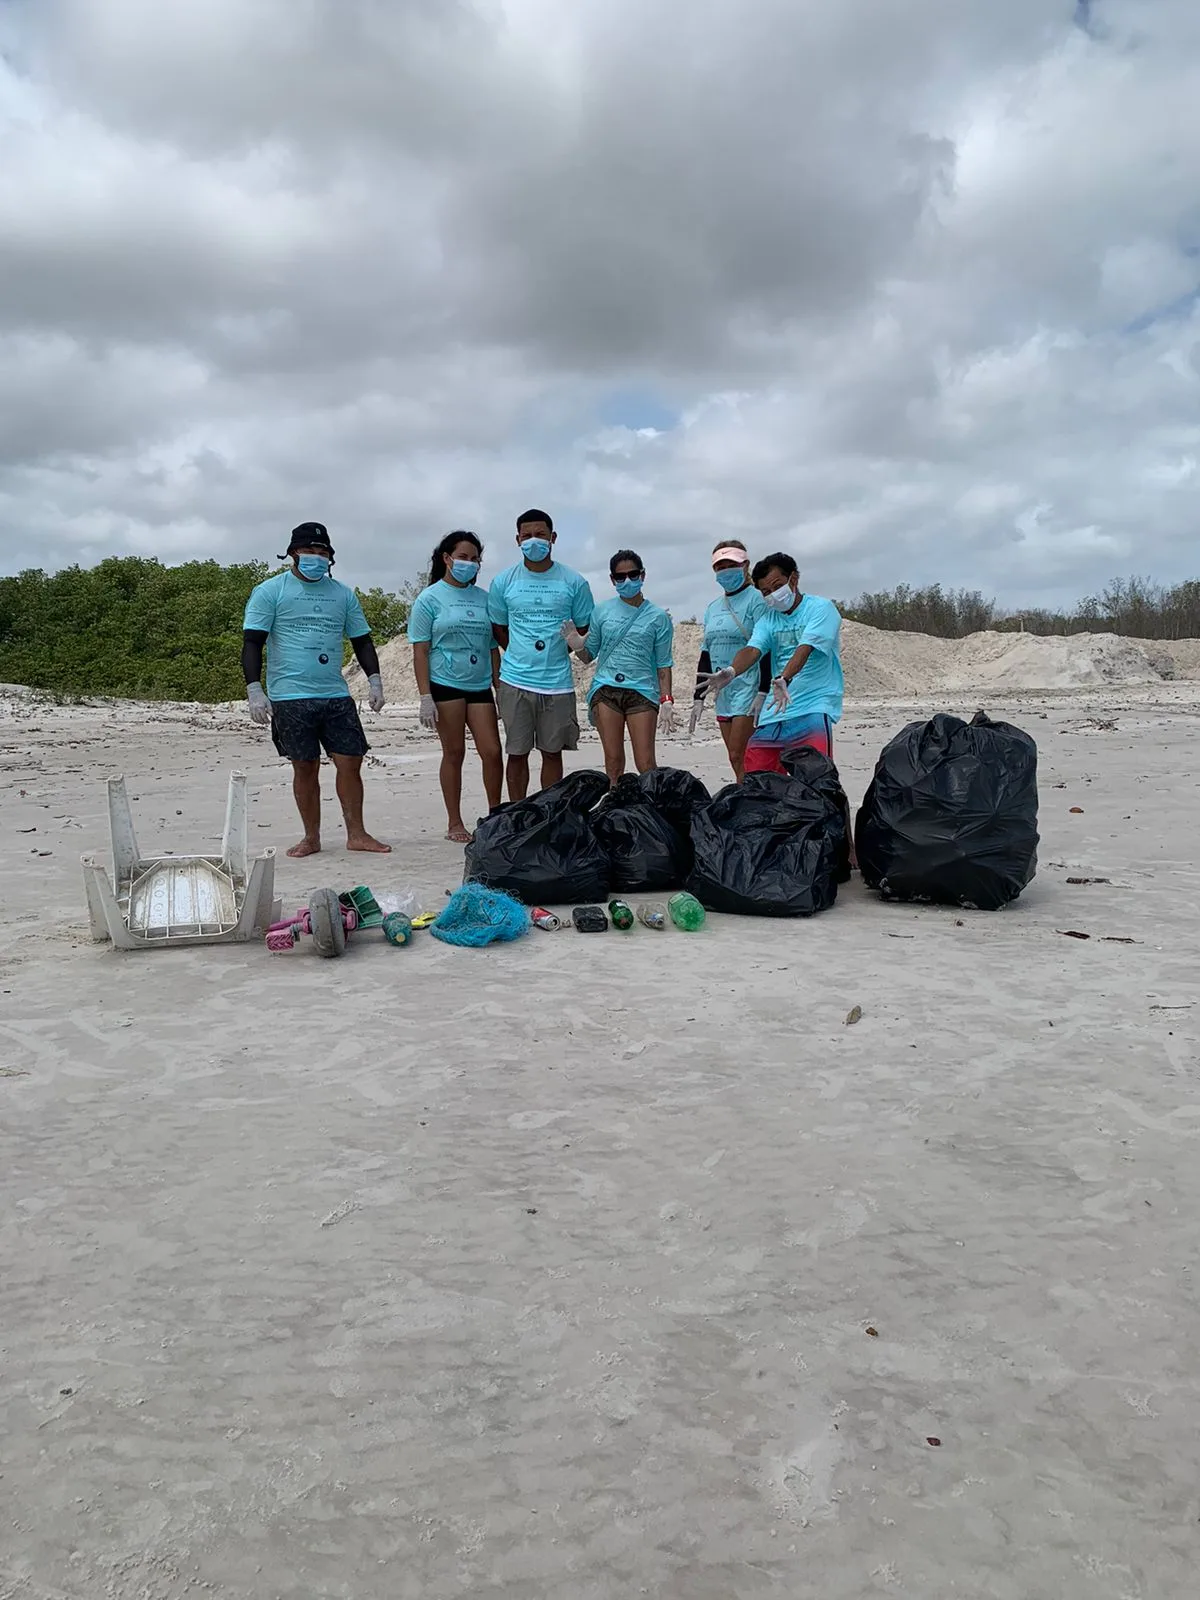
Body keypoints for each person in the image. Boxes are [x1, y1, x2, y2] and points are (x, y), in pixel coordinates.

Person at [242, 522, 390, 859]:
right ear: (294, 553)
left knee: (351, 762)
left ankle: (357, 833)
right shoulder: (270, 591)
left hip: (335, 693)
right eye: (310, 551)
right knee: (304, 766)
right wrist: (254, 689)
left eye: (323, 553)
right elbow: (252, 642)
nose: (316, 558)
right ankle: (311, 837)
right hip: (290, 694)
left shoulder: (342, 594)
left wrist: (375, 679)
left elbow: (362, 640)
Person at [697, 552, 843, 775]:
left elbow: (804, 649)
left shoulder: (821, 609)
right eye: (765, 592)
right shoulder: (768, 619)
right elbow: (753, 649)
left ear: (793, 580)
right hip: (774, 712)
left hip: (812, 707)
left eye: (777, 587)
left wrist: (785, 677)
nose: (773, 595)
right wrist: (732, 670)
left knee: (815, 780)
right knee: (757, 777)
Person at [487, 509, 595, 800]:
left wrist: (565, 648)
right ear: (517, 539)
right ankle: (518, 814)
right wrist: (519, 652)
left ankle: (548, 815)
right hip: (515, 680)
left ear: (553, 538)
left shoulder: (574, 582)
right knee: (517, 752)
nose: (534, 541)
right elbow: (498, 627)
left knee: (552, 753)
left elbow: (585, 631)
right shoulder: (503, 582)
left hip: (557, 683)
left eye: (541, 535)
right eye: (527, 536)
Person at [409, 530, 504, 844]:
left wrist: (499, 687)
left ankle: (494, 813)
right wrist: (426, 695)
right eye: (463, 557)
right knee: (454, 752)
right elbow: (420, 649)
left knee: (492, 751)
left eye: (475, 559)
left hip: (479, 685)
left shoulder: (485, 598)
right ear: (447, 559)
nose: (470, 563)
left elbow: (493, 647)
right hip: (445, 683)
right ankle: (454, 821)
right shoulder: (429, 598)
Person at [563, 549, 675, 784]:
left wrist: (666, 700)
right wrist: (576, 643)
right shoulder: (602, 611)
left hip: (643, 692)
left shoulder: (658, 617)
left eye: (633, 575)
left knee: (646, 763)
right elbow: (588, 655)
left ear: (643, 575)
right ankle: (615, 812)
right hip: (606, 689)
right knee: (613, 762)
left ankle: (650, 811)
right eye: (621, 576)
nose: (628, 581)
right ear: (612, 579)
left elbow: (663, 664)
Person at [689, 540, 771, 781]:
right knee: (734, 756)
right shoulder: (713, 607)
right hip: (721, 689)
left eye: (731, 565)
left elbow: (765, 645)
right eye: (720, 566)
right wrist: (698, 697)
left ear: (745, 565)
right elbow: (706, 652)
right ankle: (745, 794)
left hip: (749, 685)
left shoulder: (757, 600)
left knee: (741, 752)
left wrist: (763, 689)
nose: (725, 571)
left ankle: (751, 798)